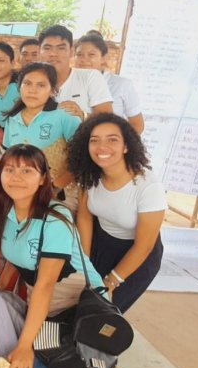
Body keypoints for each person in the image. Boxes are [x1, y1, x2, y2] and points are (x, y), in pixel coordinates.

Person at [0, 144, 105, 368]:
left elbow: (45, 285)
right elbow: (17, 252)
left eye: (27, 171)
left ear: (42, 179)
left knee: (37, 364)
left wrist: (25, 344)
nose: (16, 177)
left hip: (78, 309)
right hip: (43, 309)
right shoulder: (5, 211)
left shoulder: (55, 217)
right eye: (9, 170)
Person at [68, 113, 165, 312]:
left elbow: (144, 246)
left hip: (137, 254)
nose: (102, 147)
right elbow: (85, 217)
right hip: (100, 242)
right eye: (94, 140)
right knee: (77, 300)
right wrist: (84, 265)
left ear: (126, 146)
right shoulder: (89, 175)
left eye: (112, 139)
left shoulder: (148, 185)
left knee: (103, 310)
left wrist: (111, 282)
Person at [2, 62, 81, 200]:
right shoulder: (12, 119)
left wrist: (54, 187)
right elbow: (6, 160)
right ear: (19, 87)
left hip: (58, 196)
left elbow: (82, 158)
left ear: (52, 90)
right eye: (27, 83)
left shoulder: (65, 115)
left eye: (41, 85)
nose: (32, 90)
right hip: (19, 193)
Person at [74, 32, 144, 134]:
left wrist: (121, 145)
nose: (84, 59)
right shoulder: (69, 82)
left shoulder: (122, 85)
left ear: (103, 58)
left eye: (91, 54)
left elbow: (137, 124)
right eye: (79, 54)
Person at [38, 25, 113, 119]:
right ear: (39, 51)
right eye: (47, 48)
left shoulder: (90, 77)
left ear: (72, 51)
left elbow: (108, 119)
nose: (53, 54)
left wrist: (83, 115)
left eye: (61, 48)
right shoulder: (32, 80)